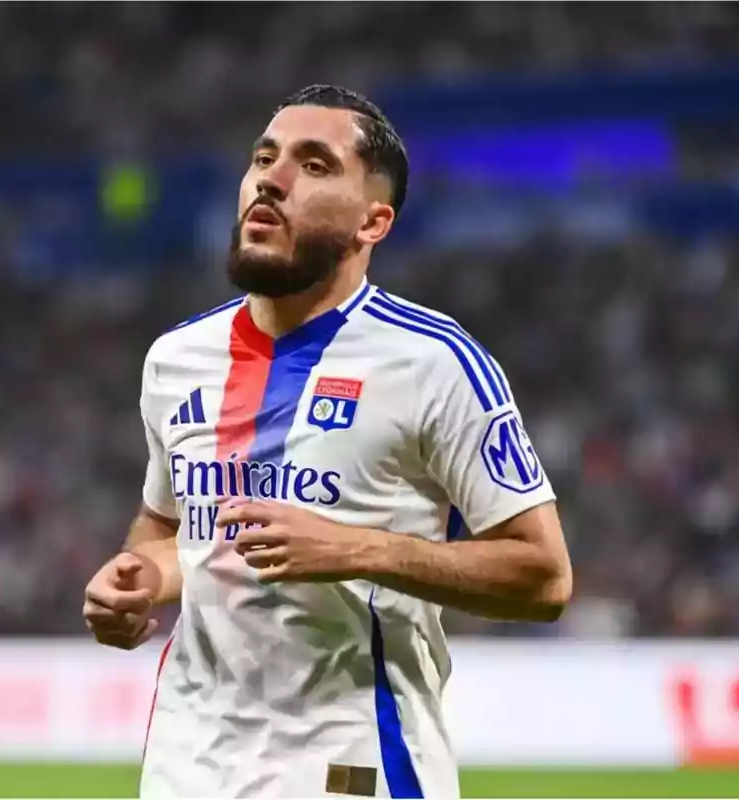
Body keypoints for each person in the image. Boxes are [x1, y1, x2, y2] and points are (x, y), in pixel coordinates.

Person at [83, 84, 572, 798]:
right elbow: (172, 529)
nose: (271, 180)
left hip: (353, 764)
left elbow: (546, 578)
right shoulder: (176, 359)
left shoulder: (434, 363)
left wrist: (357, 548)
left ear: (372, 221)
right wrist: (139, 578)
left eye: (314, 166)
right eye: (264, 157)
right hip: (188, 763)